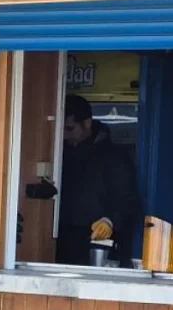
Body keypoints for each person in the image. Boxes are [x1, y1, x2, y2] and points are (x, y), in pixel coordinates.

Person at [57, 93, 140, 267]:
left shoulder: (114, 156)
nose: (64, 135)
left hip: (97, 241)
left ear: (87, 123)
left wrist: (109, 220)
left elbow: (127, 199)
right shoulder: (56, 152)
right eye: (60, 129)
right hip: (58, 239)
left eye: (70, 128)